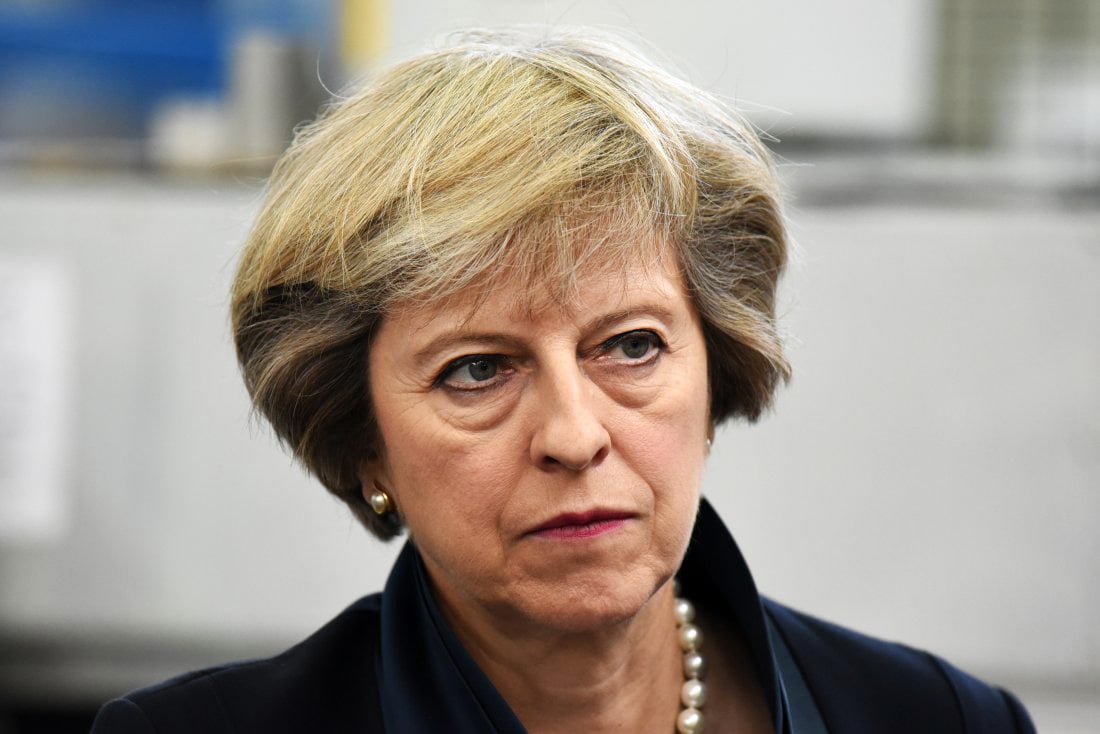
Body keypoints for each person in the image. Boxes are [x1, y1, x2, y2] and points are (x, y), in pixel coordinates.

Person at [91, 28, 1035, 733]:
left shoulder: (944, 721)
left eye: (629, 347)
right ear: (360, 439)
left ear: (716, 373)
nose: (574, 435)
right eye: (477, 370)